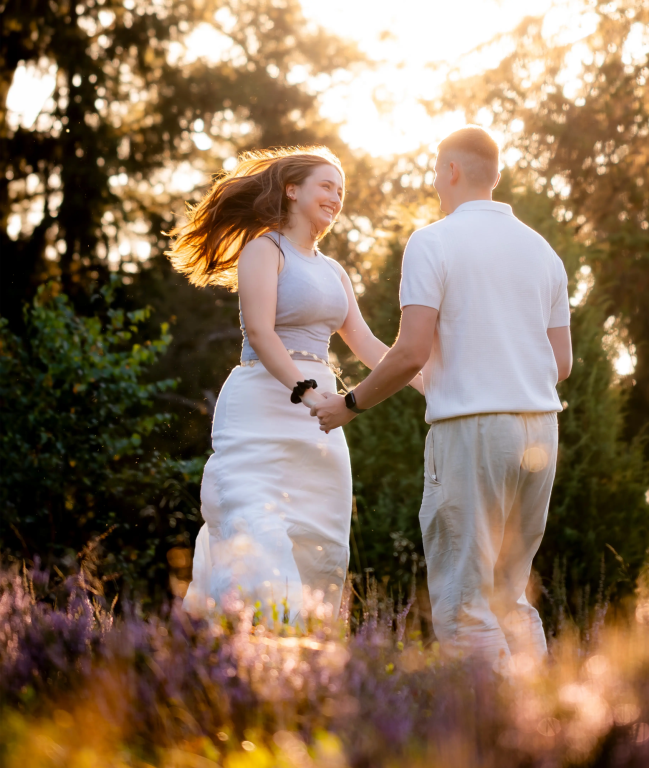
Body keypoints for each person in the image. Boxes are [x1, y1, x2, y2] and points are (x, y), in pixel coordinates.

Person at [312, 126, 572, 665]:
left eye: (436, 172)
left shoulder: (432, 242)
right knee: (510, 596)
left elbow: (411, 352)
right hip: (540, 432)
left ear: (451, 171)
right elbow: (561, 364)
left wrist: (350, 404)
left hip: (471, 435)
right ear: (495, 175)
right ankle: (543, 727)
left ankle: (490, 738)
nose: (435, 183)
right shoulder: (543, 252)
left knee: (463, 604)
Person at [166, 146, 423, 623]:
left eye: (341, 190)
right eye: (326, 185)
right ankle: (238, 644)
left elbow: (365, 342)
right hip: (263, 405)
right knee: (254, 532)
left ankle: (300, 659)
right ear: (292, 190)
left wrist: (426, 383)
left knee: (319, 542)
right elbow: (260, 332)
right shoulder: (265, 249)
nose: (336, 197)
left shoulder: (334, 271)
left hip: (319, 422)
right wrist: (305, 391)